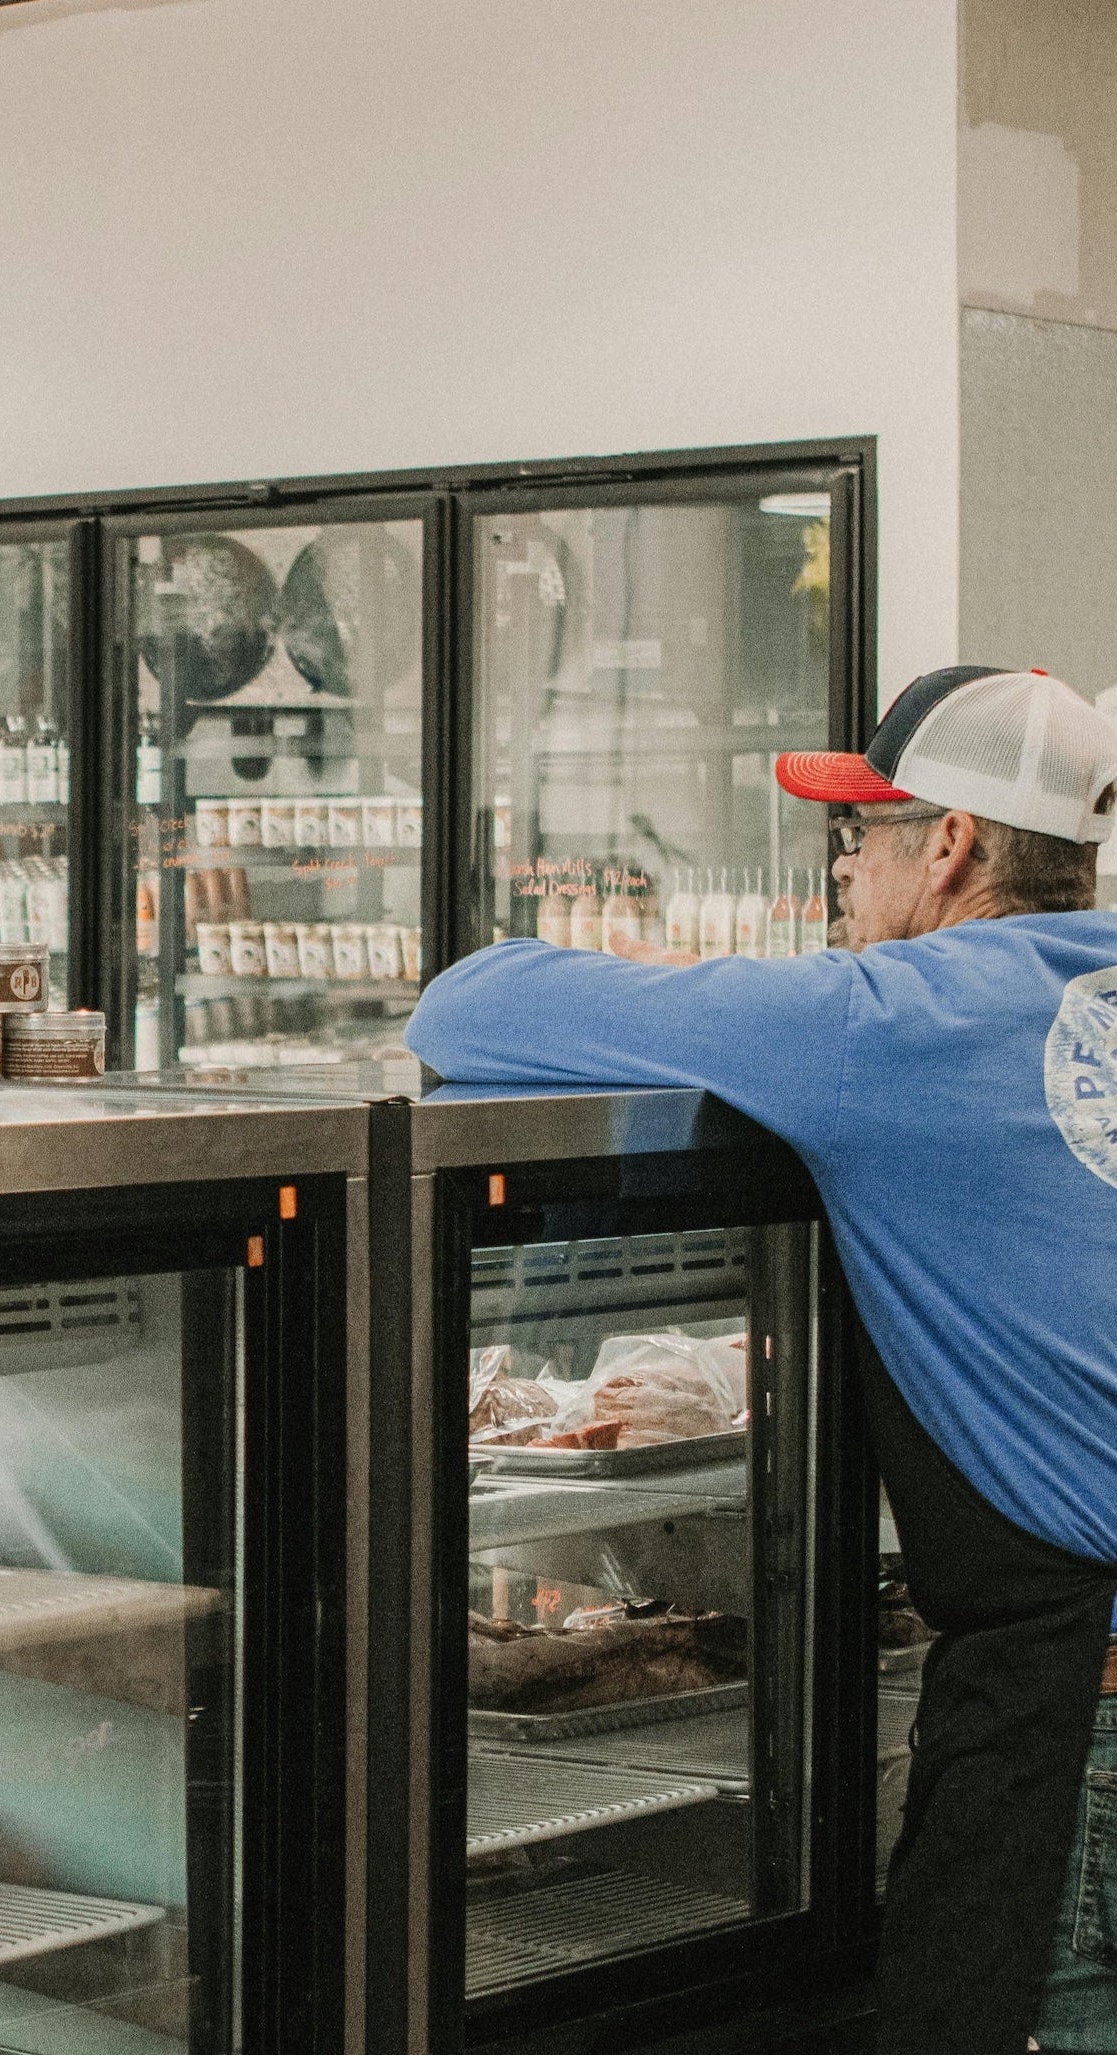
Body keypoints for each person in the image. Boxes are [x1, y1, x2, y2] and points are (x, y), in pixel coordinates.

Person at [403, 666, 1117, 2055]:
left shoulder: (879, 1018)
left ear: (950, 845)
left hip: (1069, 1734)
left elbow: (464, 1008)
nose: (843, 863)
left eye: (858, 832)